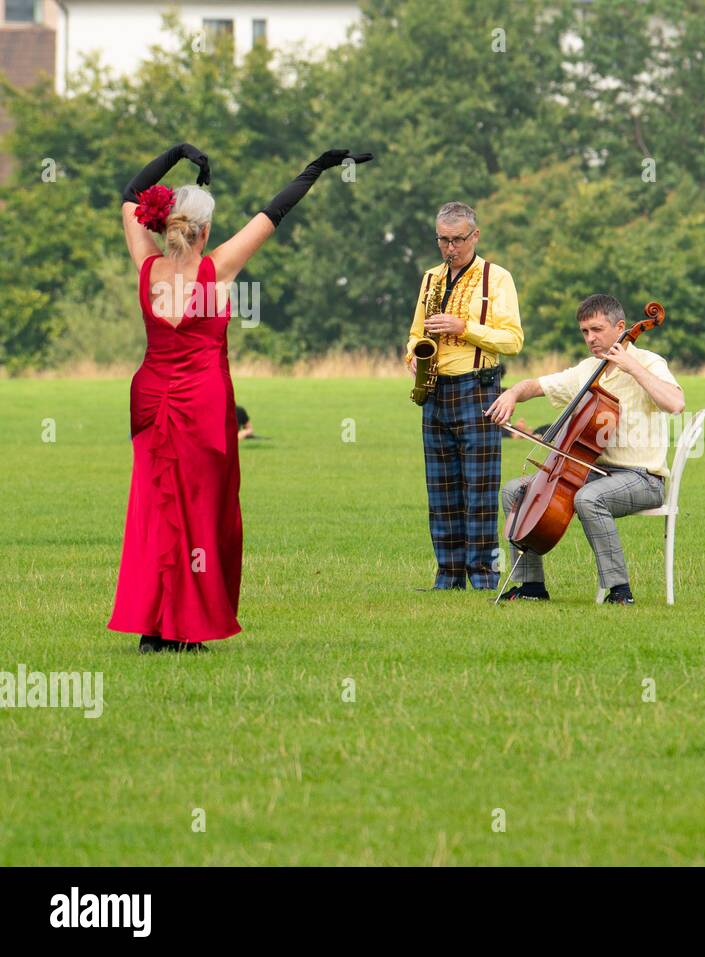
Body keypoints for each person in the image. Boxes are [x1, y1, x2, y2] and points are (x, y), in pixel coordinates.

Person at [109, 144, 372, 652]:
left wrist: (180, 154)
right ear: (203, 231)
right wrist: (318, 166)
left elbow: (128, 194)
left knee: (156, 513)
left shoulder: (146, 265)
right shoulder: (218, 267)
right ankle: (188, 629)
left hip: (151, 399)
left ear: (164, 225)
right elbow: (276, 210)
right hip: (202, 405)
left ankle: (154, 629)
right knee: (205, 516)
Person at [486, 294, 684, 605]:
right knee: (514, 491)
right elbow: (535, 385)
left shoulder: (648, 362)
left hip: (643, 478)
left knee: (588, 498)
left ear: (620, 327)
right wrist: (512, 394)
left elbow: (675, 403)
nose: (590, 338)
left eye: (597, 330)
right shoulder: (587, 370)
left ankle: (620, 591)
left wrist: (632, 367)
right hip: (596, 473)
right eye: (584, 332)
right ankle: (531, 587)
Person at [404, 202, 523, 591]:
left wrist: (464, 327)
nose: (449, 248)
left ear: (475, 236)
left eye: (457, 240)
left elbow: (513, 340)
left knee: (480, 488)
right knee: (441, 489)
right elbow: (415, 332)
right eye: (443, 239)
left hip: (479, 386)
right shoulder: (430, 278)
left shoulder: (497, 278)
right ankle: (448, 575)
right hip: (437, 389)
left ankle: (485, 576)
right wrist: (412, 355)